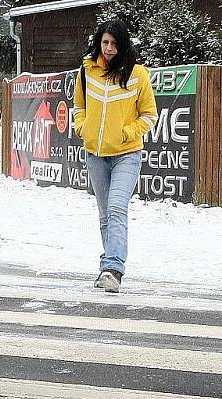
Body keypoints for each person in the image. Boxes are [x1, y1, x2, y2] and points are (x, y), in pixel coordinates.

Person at [73, 20, 157, 293]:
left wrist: (127, 132)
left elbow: (149, 115)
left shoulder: (138, 74)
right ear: (99, 42)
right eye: (105, 42)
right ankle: (107, 266)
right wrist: (82, 127)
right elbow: (78, 107)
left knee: (117, 208)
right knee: (105, 215)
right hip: (95, 154)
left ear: (122, 45)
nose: (109, 48)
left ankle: (113, 269)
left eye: (114, 43)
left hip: (127, 154)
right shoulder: (86, 71)